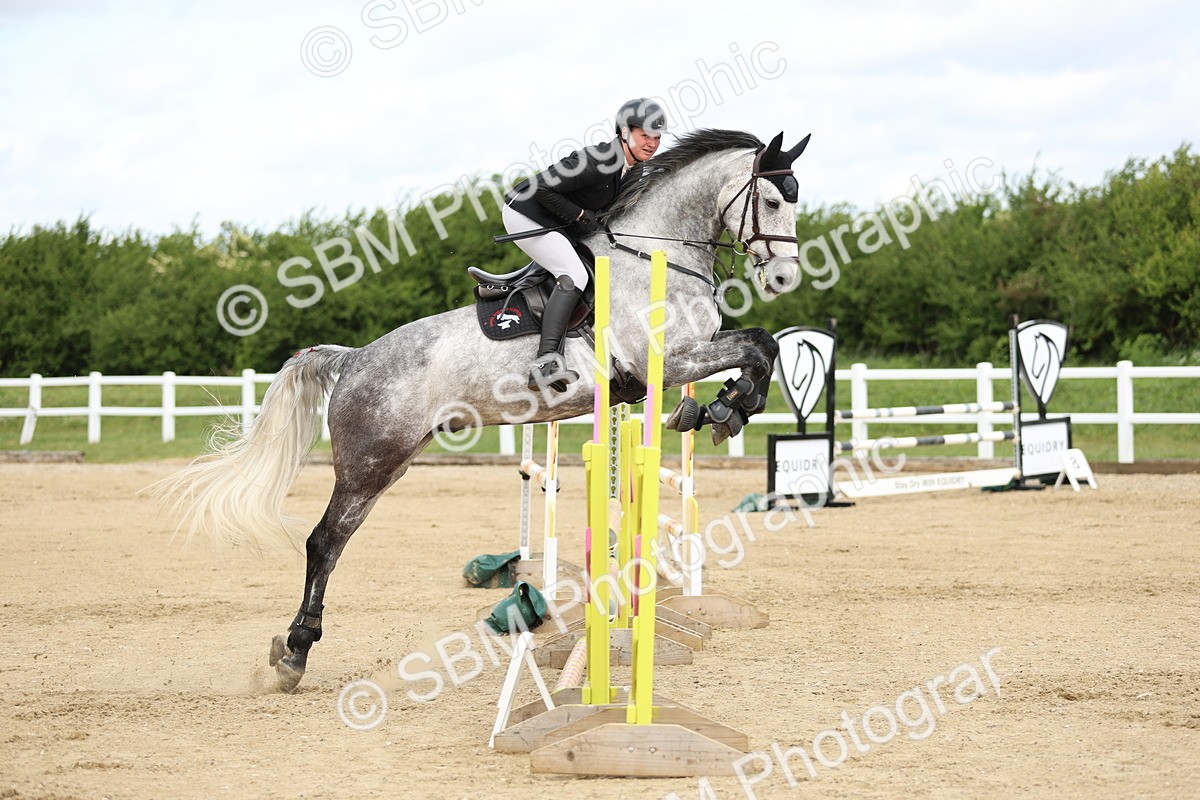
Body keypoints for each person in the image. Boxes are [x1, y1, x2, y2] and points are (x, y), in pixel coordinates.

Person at [503, 97, 667, 392]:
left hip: (552, 219)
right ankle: (545, 362)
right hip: (524, 212)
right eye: (645, 135)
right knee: (575, 275)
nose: (652, 143)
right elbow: (540, 187)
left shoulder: (635, 169)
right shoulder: (598, 160)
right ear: (624, 133)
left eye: (657, 137)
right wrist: (579, 215)